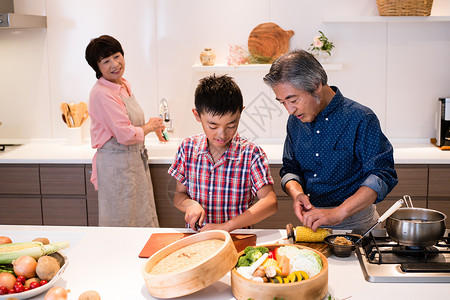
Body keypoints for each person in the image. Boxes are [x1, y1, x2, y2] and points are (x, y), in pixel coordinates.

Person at [263, 49, 398, 231]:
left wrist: (339, 212)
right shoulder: (295, 122)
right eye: (282, 102)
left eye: (293, 99)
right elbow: (290, 169)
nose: (289, 110)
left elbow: (381, 175)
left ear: (316, 84)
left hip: (358, 225)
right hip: (312, 224)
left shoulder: (361, 118)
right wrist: (297, 194)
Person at [168, 74, 278, 232]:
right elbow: (180, 195)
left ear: (241, 113)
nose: (222, 134)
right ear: (197, 115)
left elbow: (270, 202)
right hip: (198, 237)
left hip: (237, 236)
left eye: (231, 125)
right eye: (213, 126)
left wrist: (226, 227)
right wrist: (190, 205)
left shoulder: (251, 153)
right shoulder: (187, 148)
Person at [85, 35, 164, 227]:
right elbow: (125, 134)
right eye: (106, 61)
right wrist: (150, 127)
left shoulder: (123, 85)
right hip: (117, 167)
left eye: (117, 56)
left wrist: (151, 126)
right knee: (121, 222)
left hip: (132, 163)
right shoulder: (102, 93)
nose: (114, 64)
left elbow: (129, 124)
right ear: (97, 68)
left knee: (142, 216)